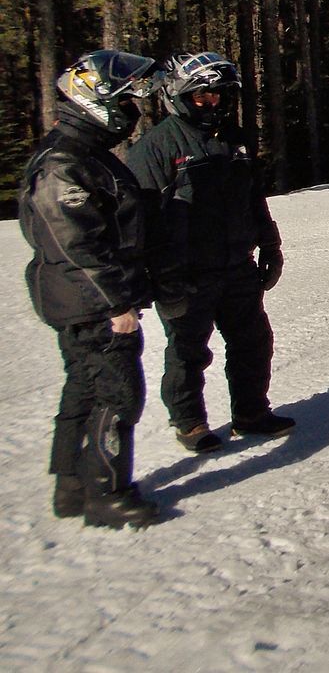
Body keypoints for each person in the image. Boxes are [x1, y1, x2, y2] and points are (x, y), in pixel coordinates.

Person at [18, 50, 161, 528]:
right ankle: (106, 492)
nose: (132, 106)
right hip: (91, 299)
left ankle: (73, 487)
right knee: (117, 392)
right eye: (124, 98)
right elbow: (76, 243)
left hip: (84, 296)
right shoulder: (64, 164)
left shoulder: (84, 155)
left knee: (83, 388)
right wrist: (116, 303)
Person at [129, 52, 294, 452]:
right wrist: (155, 275)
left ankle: (251, 411)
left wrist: (270, 244)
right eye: (202, 96)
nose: (211, 103)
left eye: (218, 96)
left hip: (237, 263)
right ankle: (190, 422)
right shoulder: (156, 147)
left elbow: (254, 198)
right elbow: (139, 219)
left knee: (254, 340)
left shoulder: (233, 140)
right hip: (185, 270)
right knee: (188, 351)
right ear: (178, 96)